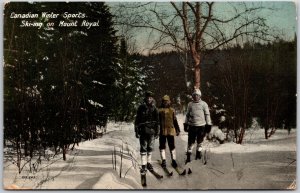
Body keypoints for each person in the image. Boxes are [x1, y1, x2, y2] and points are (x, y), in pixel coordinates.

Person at [184, 89, 212, 163]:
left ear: (200, 96)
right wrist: (185, 124)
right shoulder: (190, 104)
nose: (196, 96)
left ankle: (198, 154)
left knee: (200, 142)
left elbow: (207, 115)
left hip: (201, 126)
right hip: (192, 126)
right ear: (192, 96)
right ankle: (188, 156)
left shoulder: (204, 104)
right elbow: (187, 115)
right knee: (191, 142)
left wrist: (208, 124)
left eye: (197, 95)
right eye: (194, 95)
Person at [135, 91, 159, 173]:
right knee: (143, 148)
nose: (149, 99)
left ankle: (148, 163)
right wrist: (136, 131)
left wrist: (157, 131)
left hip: (151, 131)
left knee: (150, 148)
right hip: (143, 131)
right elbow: (137, 120)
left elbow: (157, 121)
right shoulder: (141, 107)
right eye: (148, 98)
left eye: (150, 98)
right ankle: (143, 165)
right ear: (145, 98)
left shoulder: (155, 108)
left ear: (152, 99)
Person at [158, 95, 180, 168]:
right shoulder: (159, 110)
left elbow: (175, 120)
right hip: (162, 131)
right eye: (164, 101)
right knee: (162, 146)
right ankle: (163, 161)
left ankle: (174, 160)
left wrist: (177, 129)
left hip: (170, 131)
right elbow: (157, 121)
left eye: (167, 101)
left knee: (172, 146)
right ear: (162, 102)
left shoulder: (172, 110)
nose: (165, 103)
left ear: (169, 102)